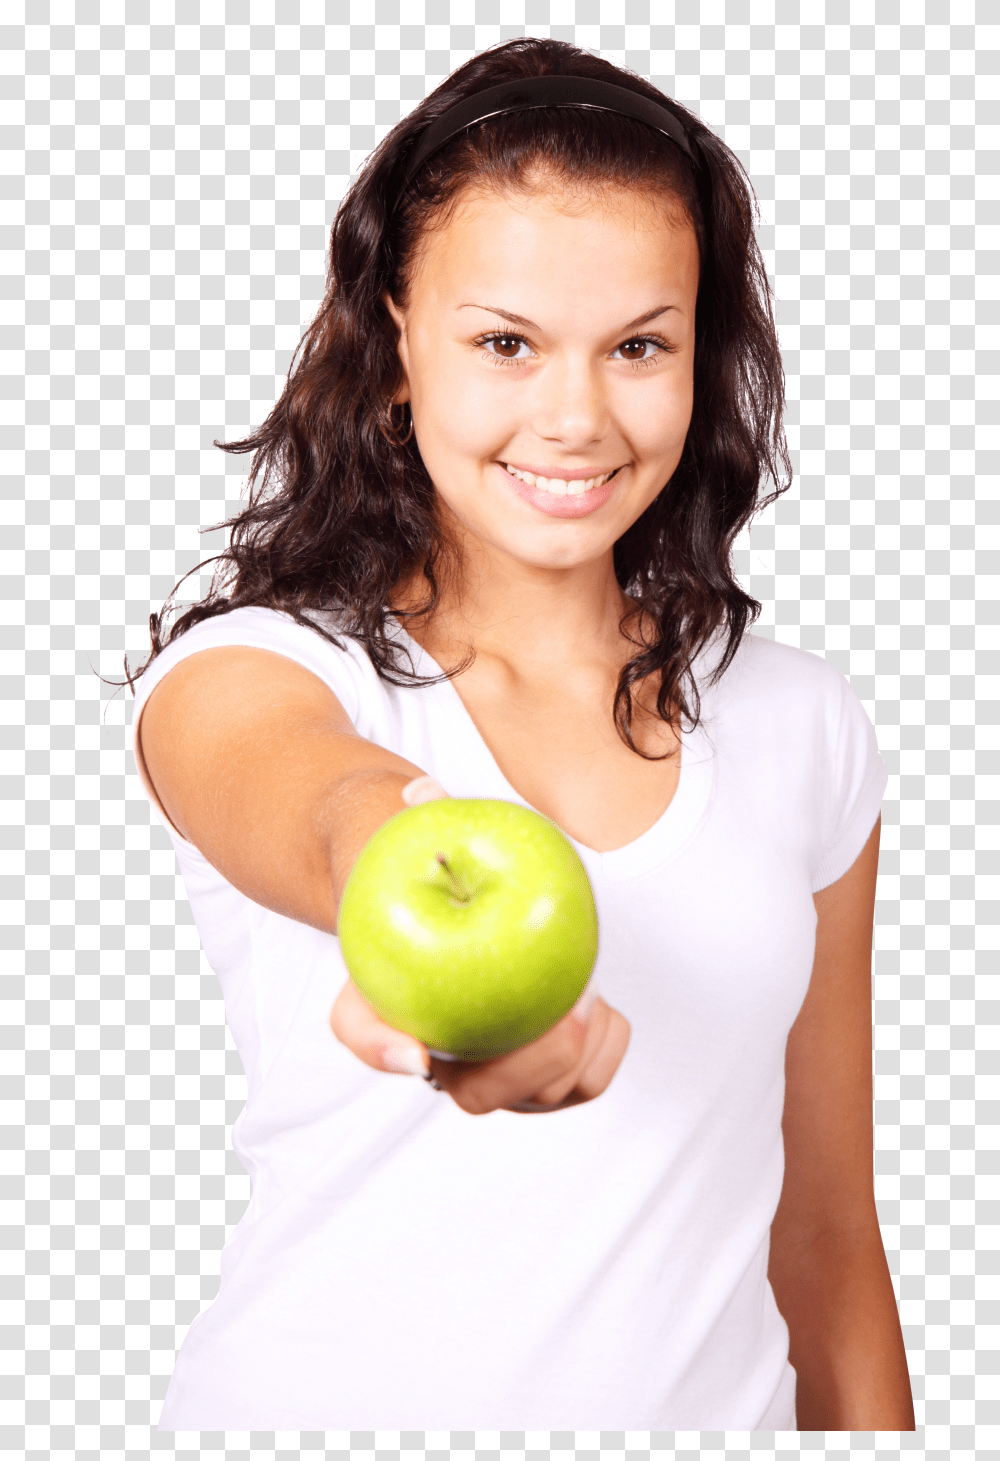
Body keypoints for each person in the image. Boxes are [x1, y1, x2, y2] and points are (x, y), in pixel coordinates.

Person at [127, 38, 914, 1432]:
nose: (576, 416)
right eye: (506, 342)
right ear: (395, 348)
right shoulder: (253, 673)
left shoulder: (802, 722)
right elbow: (325, 805)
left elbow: (830, 1237)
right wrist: (422, 905)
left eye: (639, 346)